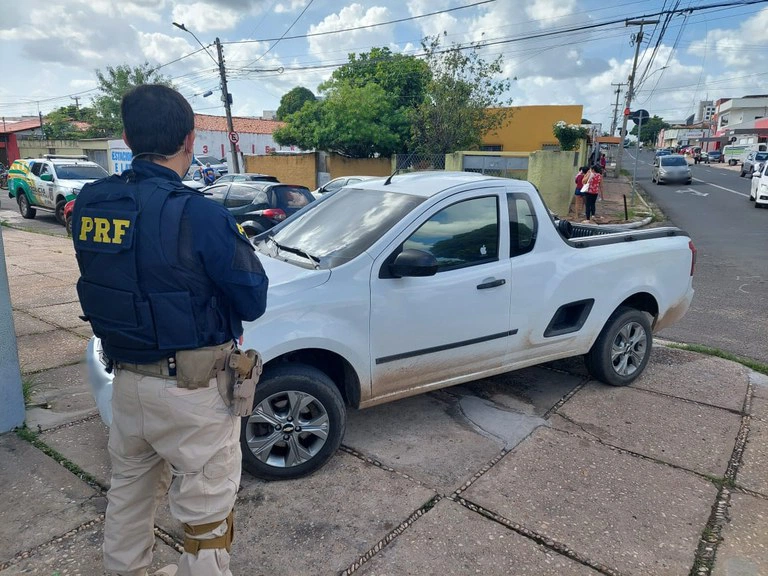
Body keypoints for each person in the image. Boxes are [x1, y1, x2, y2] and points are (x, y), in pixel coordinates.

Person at [71, 84, 269, 576]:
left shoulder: (92, 206)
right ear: (190, 139)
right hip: (193, 395)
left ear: (126, 136)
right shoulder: (201, 213)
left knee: (129, 501)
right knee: (205, 520)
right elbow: (253, 299)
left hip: (128, 387)